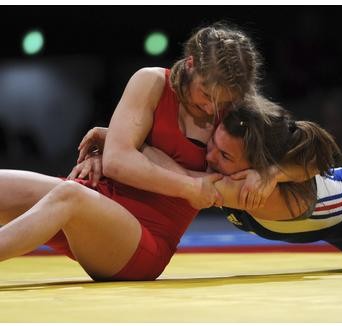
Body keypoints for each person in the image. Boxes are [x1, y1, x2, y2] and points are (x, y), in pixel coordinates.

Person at [74, 95, 342, 273]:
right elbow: (171, 161)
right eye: (213, 148)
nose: (210, 158)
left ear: (260, 163)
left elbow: (316, 151)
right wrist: (114, 140)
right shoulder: (226, 165)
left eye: (225, 156)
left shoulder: (259, 180)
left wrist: (274, 174)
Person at [0, 23, 262, 281]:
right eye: (205, 93)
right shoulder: (151, 81)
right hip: (95, 201)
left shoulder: (238, 117)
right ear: (190, 64)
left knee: (69, 195)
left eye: (223, 101)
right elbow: (117, 162)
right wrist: (187, 186)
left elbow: (296, 154)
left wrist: (272, 173)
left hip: (141, 243)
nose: (209, 108)